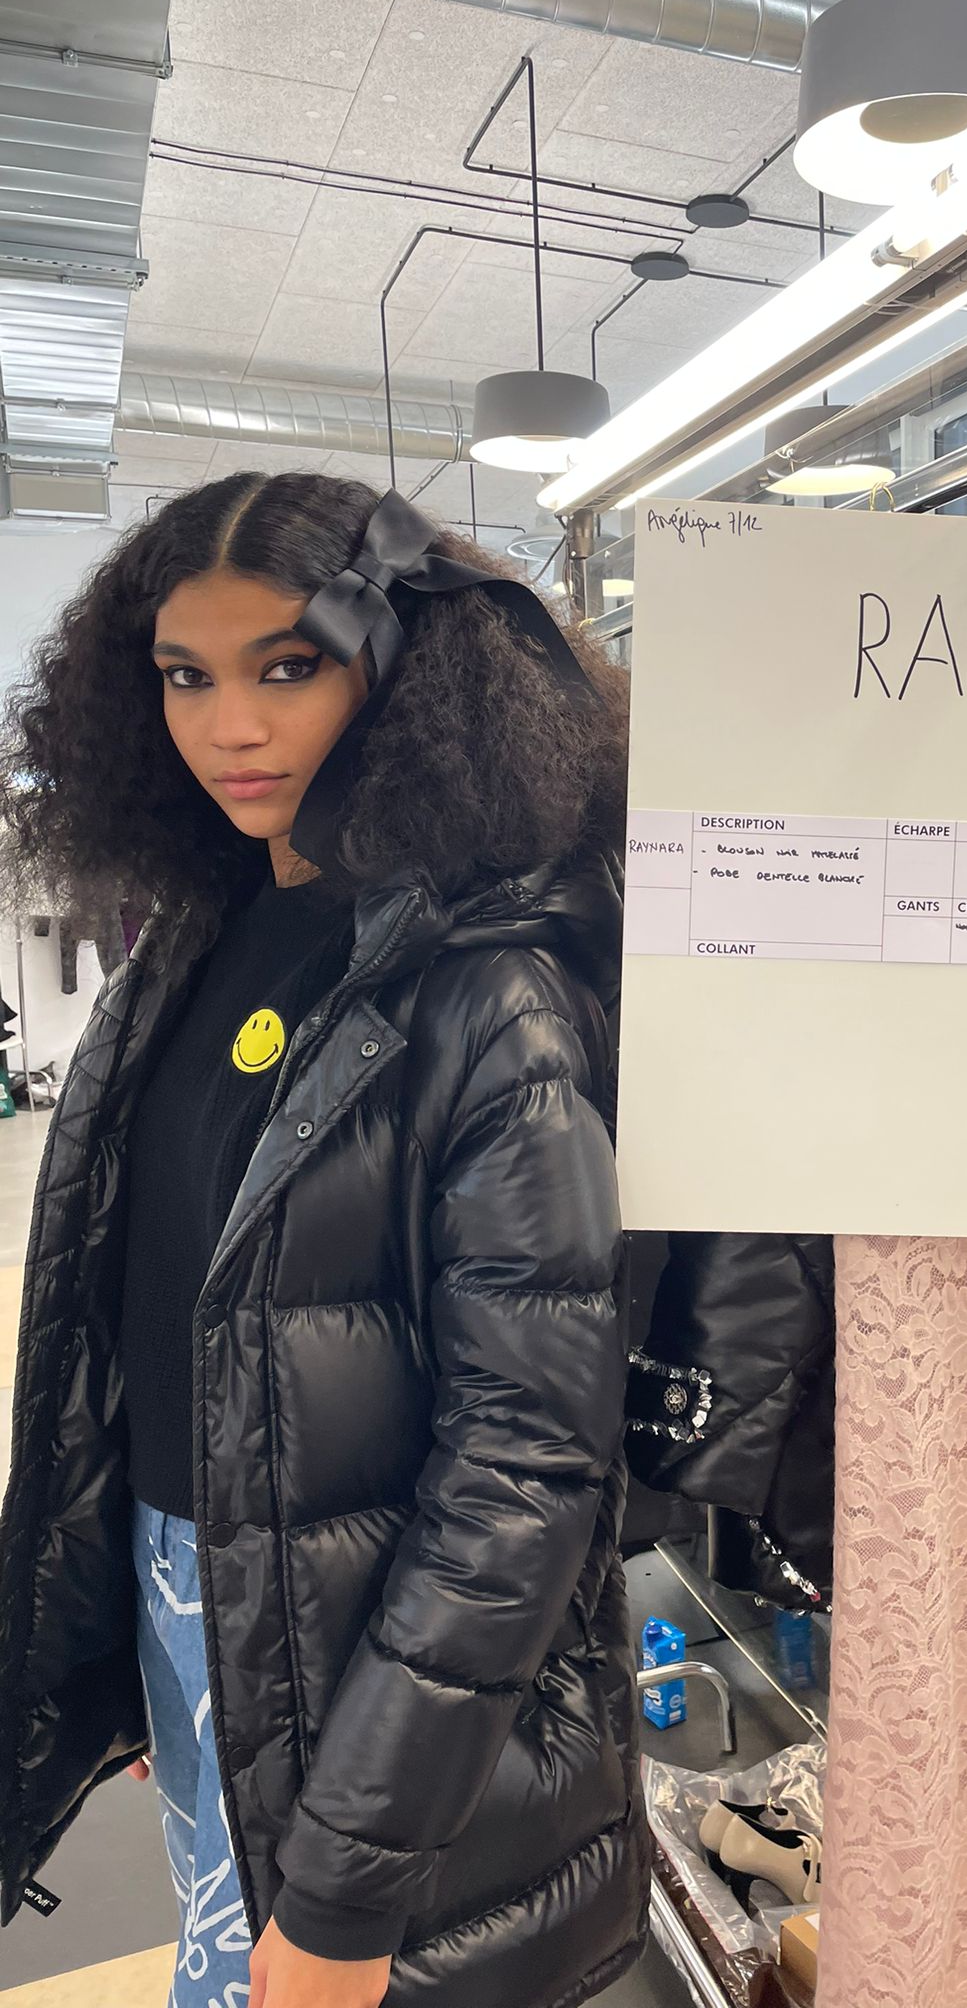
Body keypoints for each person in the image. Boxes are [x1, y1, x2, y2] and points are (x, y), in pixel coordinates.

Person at [0, 475, 648, 2008]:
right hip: (221, 1604)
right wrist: (150, 1628)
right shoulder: (200, 937)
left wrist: (354, 1887)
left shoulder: (490, 994)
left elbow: (526, 1463)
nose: (231, 726)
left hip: (384, 1697)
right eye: (186, 675)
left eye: (288, 666)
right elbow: (143, 1318)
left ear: (401, 666)